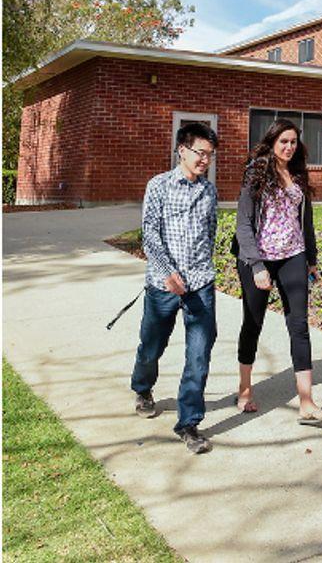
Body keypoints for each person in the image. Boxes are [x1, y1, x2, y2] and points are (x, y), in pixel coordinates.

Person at [231, 118, 322, 424]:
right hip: (258, 259)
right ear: (272, 142)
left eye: (293, 142)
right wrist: (257, 265)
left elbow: (307, 220)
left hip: (293, 256)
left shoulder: (299, 174)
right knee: (253, 322)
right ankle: (245, 388)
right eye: (283, 142)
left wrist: (312, 259)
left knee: (299, 325)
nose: (289, 147)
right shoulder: (256, 172)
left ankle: (307, 402)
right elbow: (243, 224)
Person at [131, 122, 219, 454]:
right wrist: (167, 272)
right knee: (152, 346)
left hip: (201, 286)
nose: (205, 160)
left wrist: (202, 271)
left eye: (210, 155)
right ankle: (142, 387)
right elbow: (149, 233)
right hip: (163, 285)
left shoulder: (209, 191)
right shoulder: (159, 186)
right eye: (201, 153)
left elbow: (210, 232)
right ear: (182, 149)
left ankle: (189, 423)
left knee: (199, 353)